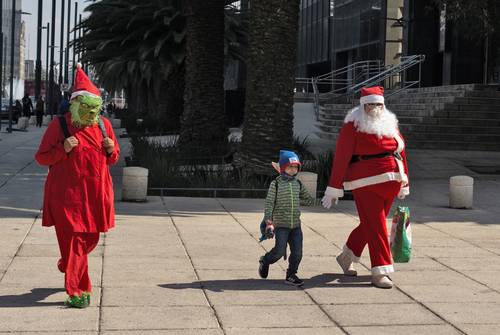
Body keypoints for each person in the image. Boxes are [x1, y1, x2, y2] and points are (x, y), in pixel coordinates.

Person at [35, 63, 120, 308]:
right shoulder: (59, 126)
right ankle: (78, 290)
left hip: (95, 196)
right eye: (85, 109)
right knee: (74, 241)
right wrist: (63, 149)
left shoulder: (104, 125)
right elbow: (41, 157)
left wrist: (111, 150)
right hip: (66, 197)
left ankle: (67, 263)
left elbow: (111, 160)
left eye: (94, 110)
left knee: (88, 241)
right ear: (75, 105)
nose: (91, 115)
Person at [321, 86, 409, 289]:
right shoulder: (352, 125)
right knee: (377, 226)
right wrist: (333, 188)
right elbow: (342, 157)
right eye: (370, 104)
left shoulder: (390, 123)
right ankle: (380, 271)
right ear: (363, 105)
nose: (374, 108)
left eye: (378, 104)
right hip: (365, 182)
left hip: (392, 180)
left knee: (370, 224)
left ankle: (347, 256)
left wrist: (405, 182)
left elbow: (401, 153)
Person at [258, 150, 317, 287]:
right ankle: (265, 260)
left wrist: (325, 200)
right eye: (290, 167)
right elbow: (269, 203)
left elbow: (308, 200)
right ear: (283, 167)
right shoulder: (276, 184)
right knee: (279, 251)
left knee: (297, 252)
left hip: (295, 226)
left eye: (295, 167)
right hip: (281, 226)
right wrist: (269, 222)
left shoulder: (298, 184)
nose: (293, 170)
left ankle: (291, 274)